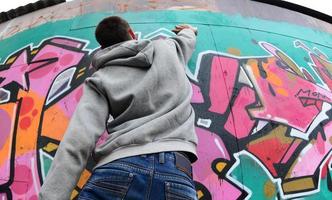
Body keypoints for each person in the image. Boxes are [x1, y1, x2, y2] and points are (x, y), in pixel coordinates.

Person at [39, 16, 198, 200]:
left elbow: (79, 139)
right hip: (176, 169)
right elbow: (187, 39)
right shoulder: (168, 49)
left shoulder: (100, 78)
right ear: (131, 33)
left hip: (117, 168)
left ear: (102, 47)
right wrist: (189, 30)